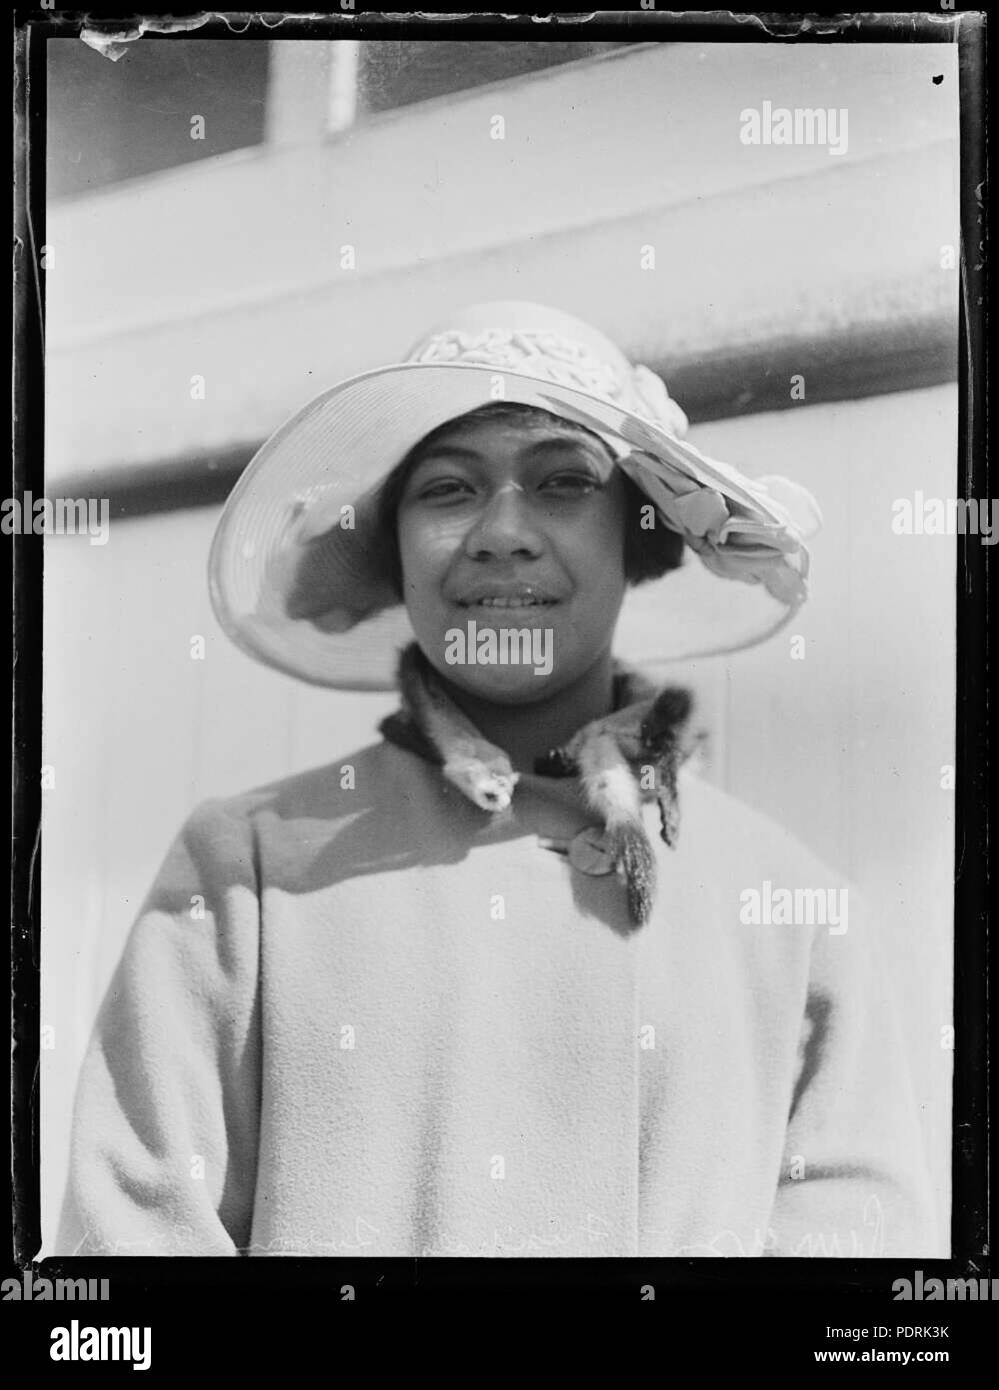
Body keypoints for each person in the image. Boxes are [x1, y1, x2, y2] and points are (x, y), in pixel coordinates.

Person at [58, 301, 941, 1258]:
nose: (502, 533)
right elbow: (131, 1249)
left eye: (563, 483)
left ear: (637, 537)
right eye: (448, 490)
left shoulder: (794, 913)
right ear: (390, 551)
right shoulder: (247, 872)